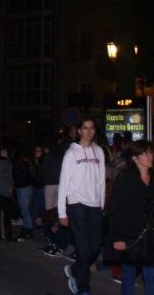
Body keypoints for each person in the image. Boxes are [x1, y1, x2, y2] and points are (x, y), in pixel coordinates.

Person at [59, 117, 106, 295]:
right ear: (79, 131)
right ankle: (83, 288)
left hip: (94, 205)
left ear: (94, 131)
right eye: (85, 128)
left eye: (92, 128)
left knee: (95, 247)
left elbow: (101, 180)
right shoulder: (71, 153)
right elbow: (63, 182)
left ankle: (74, 270)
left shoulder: (99, 151)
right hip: (76, 203)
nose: (88, 131)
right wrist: (62, 212)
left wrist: (101, 204)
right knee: (84, 249)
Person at [109, 140, 154, 295]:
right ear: (135, 158)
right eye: (146, 153)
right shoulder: (125, 178)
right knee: (129, 274)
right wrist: (117, 237)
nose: (150, 155)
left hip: (150, 237)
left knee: (151, 275)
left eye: (150, 152)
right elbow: (115, 210)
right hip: (130, 236)